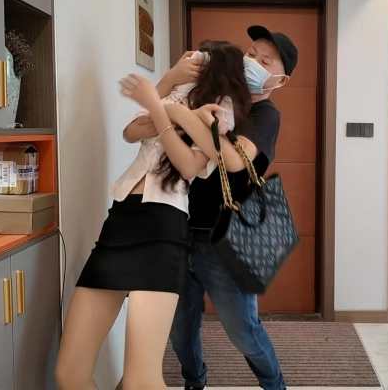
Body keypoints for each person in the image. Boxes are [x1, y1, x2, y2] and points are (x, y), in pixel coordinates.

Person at [54, 40, 252, 390]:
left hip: (164, 227)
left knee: (140, 382)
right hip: (120, 221)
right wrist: (167, 83)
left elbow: (188, 165)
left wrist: (166, 112)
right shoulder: (175, 90)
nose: (192, 59)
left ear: (215, 66)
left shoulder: (221, 108)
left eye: (200, 56)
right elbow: (131, 132)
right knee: (69, 374)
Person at [123, 26, 298, 390]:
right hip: (176, 228)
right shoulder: (210, 93)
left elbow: (233, 159)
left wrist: (179, 115)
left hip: (226, 241)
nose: (252, 62)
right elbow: (142, 128)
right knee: (179, 330)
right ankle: (194, 381)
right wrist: (174, 83)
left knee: (243, 330)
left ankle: (275, 386)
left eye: (265, 61)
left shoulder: (266, 114)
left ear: (280, 80)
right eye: (251, 53)